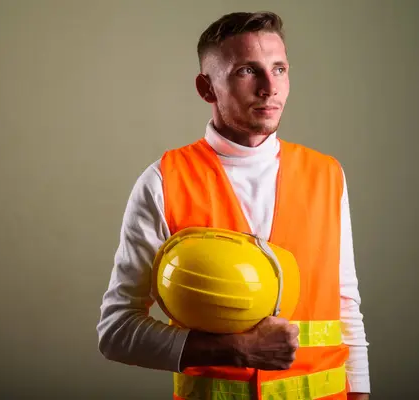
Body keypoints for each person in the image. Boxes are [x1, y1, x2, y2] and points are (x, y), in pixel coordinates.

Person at [96, 10, 370, 400]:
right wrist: (235, 350)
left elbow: (346, 305)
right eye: (247, 71)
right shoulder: (163, 181)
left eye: (279, 69)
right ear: (206, 88)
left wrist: (360, 392)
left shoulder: (327, 174)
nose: (269, 87)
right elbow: (116, 332)